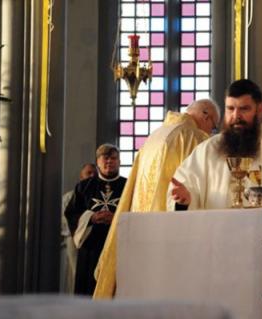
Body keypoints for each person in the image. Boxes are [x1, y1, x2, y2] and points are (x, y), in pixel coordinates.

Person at [93, 99, 220, 299]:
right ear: (206, 116)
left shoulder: (155, 136)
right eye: (213, 126)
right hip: (170, 233)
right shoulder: (193, 138)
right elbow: (207, 188)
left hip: (140, 229)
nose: (211, 131)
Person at [168, 79, 262, 210]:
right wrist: (185, 200)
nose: (236, 115)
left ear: (259, 109)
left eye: (244, 109)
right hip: (217, 230)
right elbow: (186, 187)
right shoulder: (208, 150)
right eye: (230, 108)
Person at [65, 144, 126, 295]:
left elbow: (138, 210)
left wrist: (117, 218)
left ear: (119, 161)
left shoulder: (128, 185)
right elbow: (72, 213)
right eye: (105, 158)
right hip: (91, 247)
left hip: (118, 244)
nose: (109, 162)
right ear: (97, 162)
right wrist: (91, 217)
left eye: (113, 158)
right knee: (88, 288)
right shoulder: (83, 187)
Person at [60, 163, 97, 293]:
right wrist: (87, 221)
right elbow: (65, 218)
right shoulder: (70, 196)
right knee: (77, 272)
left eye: (95, 173)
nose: (92, 176)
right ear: (81, 177)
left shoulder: (98, 195)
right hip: (74, 238)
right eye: (89, 173)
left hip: (94, 240)